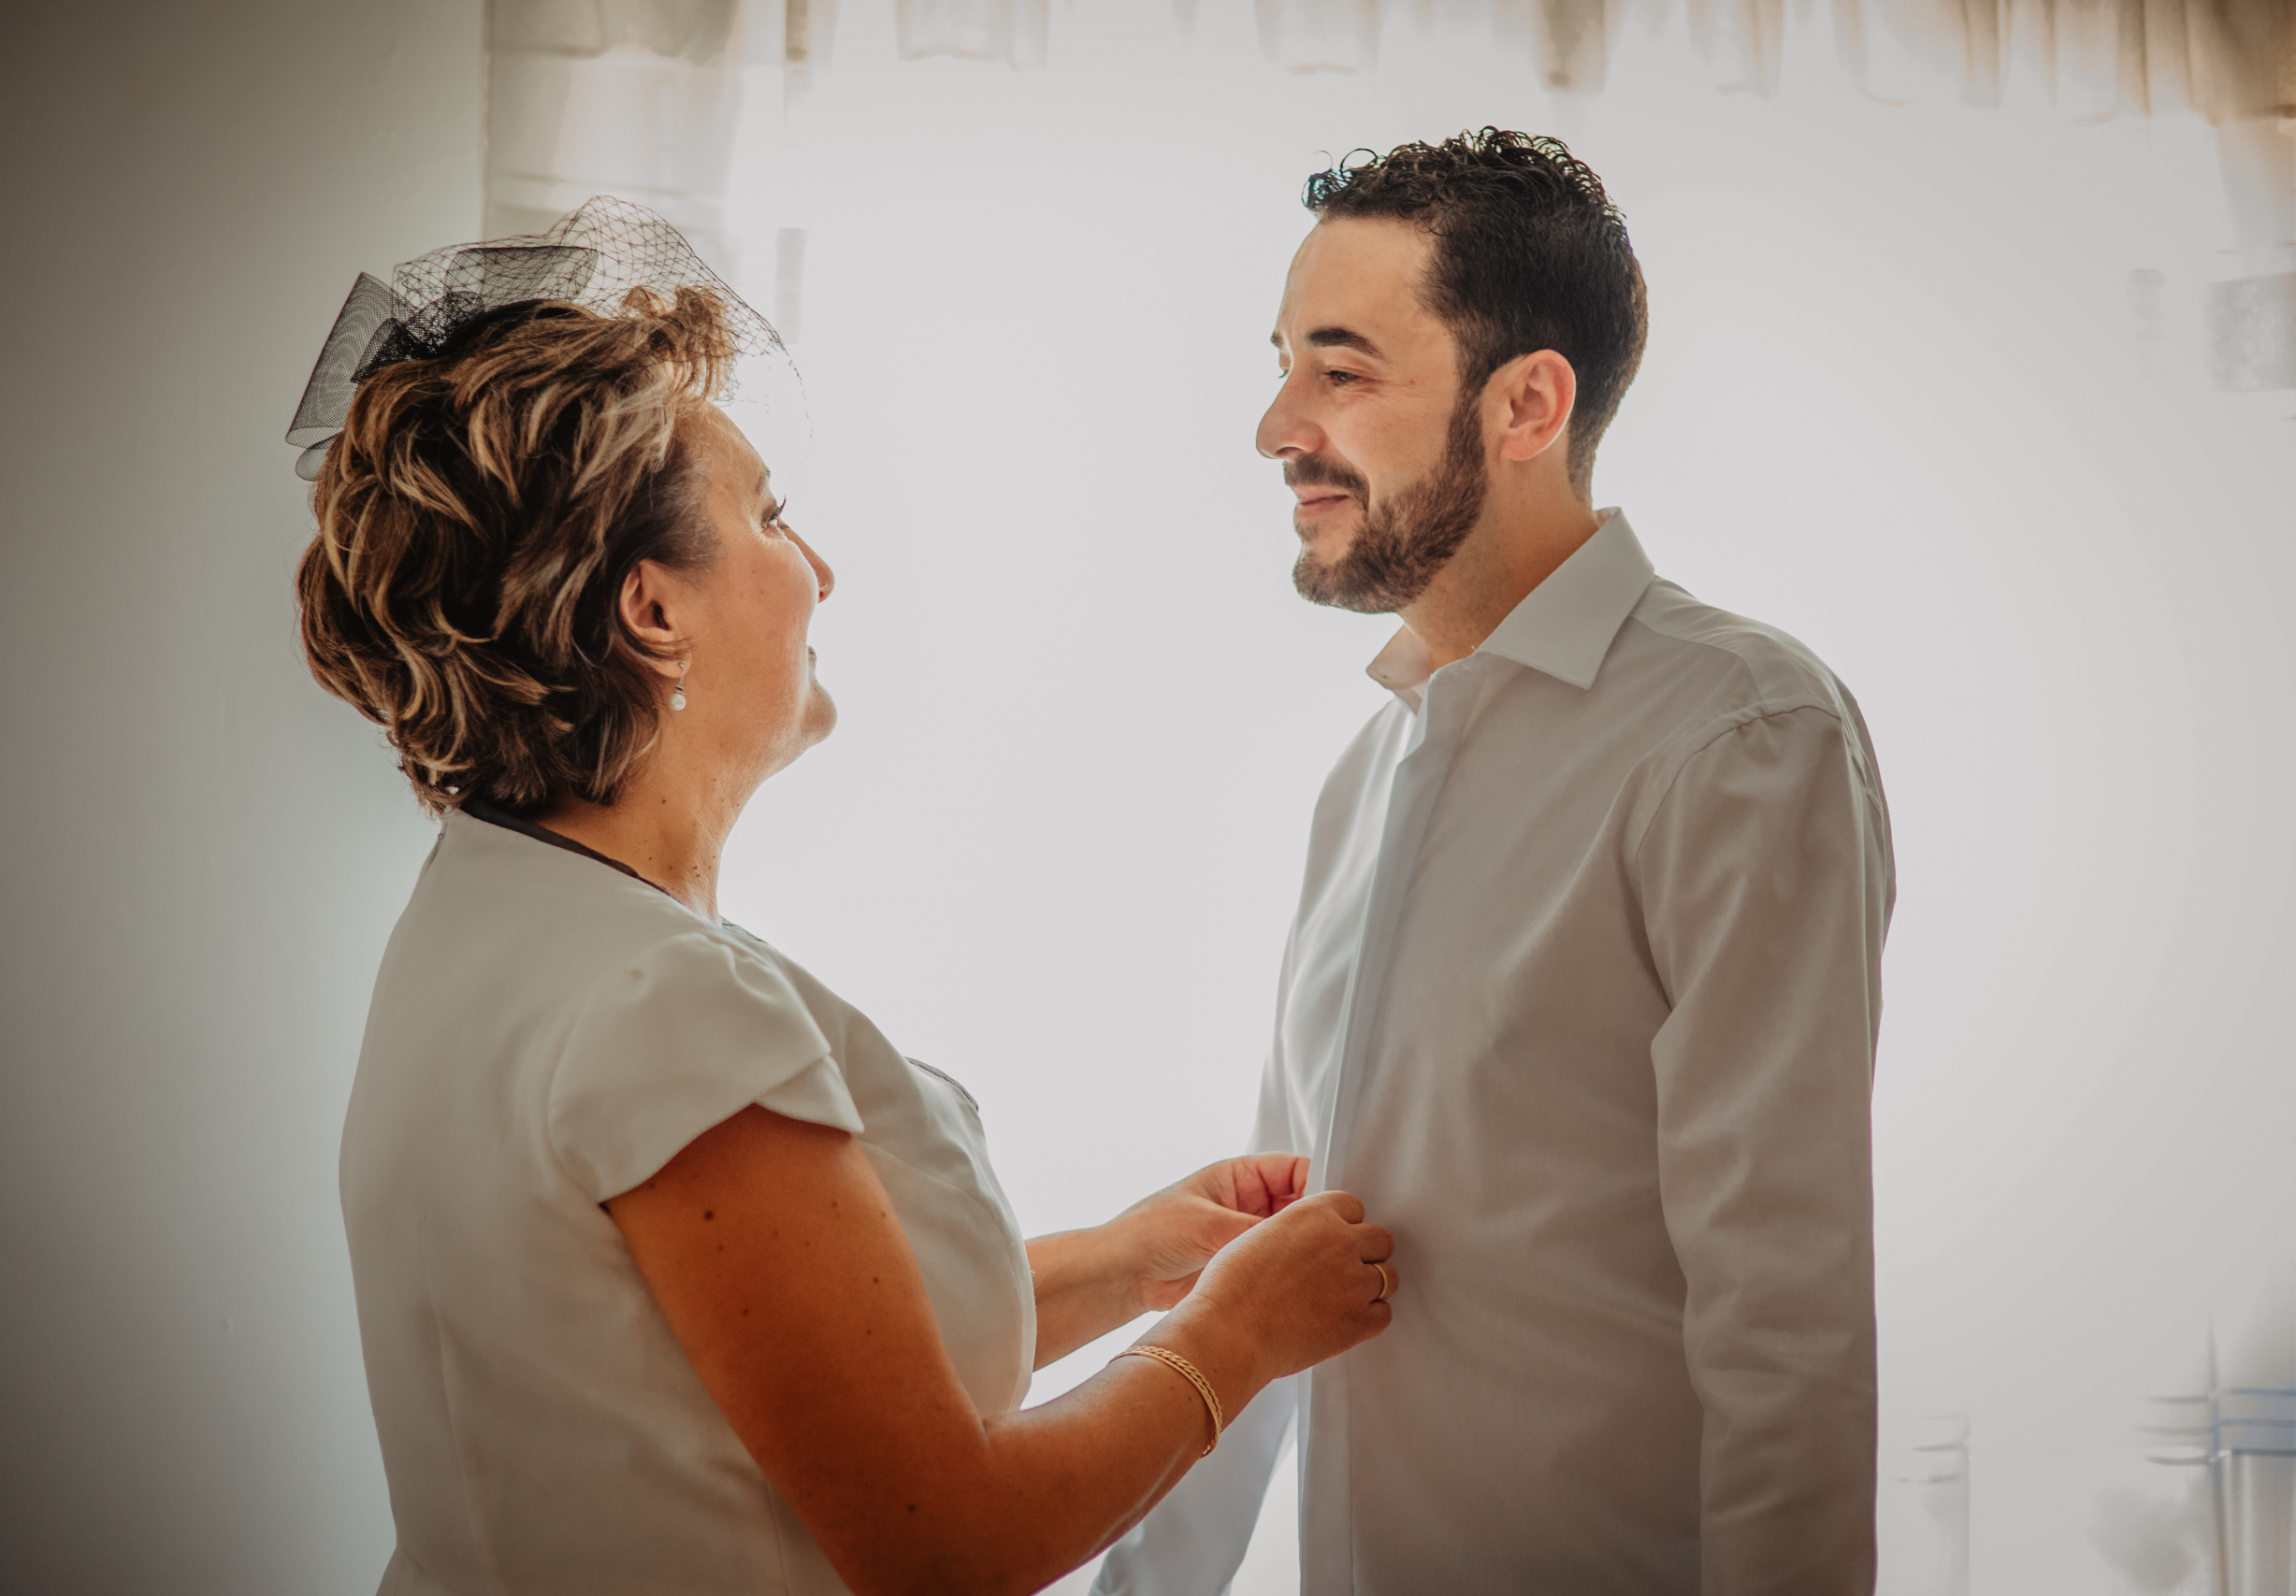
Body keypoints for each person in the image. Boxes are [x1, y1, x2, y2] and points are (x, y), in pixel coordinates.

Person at [291, 199, 1399, 1596]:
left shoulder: (489, 915)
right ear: (653, 613)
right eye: (769, 517)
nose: (819, 571)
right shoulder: (661, 1005)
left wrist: (1132, 1264)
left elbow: (750, 1364)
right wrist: (1235, 1339)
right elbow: (946, 1542)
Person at [1098, 130, 1893, 1595]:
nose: (1275, 426)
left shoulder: (1741, 737)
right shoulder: (1365, 778)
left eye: (1341, 371)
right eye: (1282, 364)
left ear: (1527, 403)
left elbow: (1785, 1330)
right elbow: (1262, 1287)